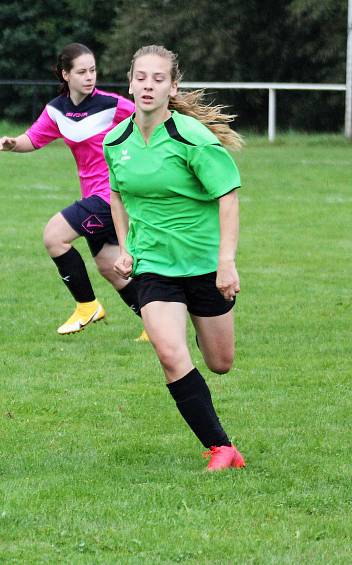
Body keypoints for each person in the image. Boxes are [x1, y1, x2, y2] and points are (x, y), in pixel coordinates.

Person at [104, 45, 245, 471]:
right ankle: (221, 449)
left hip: (204, 264)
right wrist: (127, 248)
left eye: (158, 79)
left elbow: (228, 197)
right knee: (169, 353)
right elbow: (117, 194)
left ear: (172, 86)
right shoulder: (116, 140)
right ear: (130, 83)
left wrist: (227, 261)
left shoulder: (192, 137)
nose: (148, 85)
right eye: (141, 77)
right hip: (153, 266)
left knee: (220, 363)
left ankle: (202, 322)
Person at [0, 43, 146, 339]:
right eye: (82, 72)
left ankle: (87, 306)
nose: (90, 77)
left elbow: (152, 119)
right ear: (66, 74)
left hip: (113, 195)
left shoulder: (113, 105)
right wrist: (13, 143)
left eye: (93, 70)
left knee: (54, 236)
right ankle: (155, 324)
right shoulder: (57, 111)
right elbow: (33, 138)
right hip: (94, 196)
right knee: (109, 265)